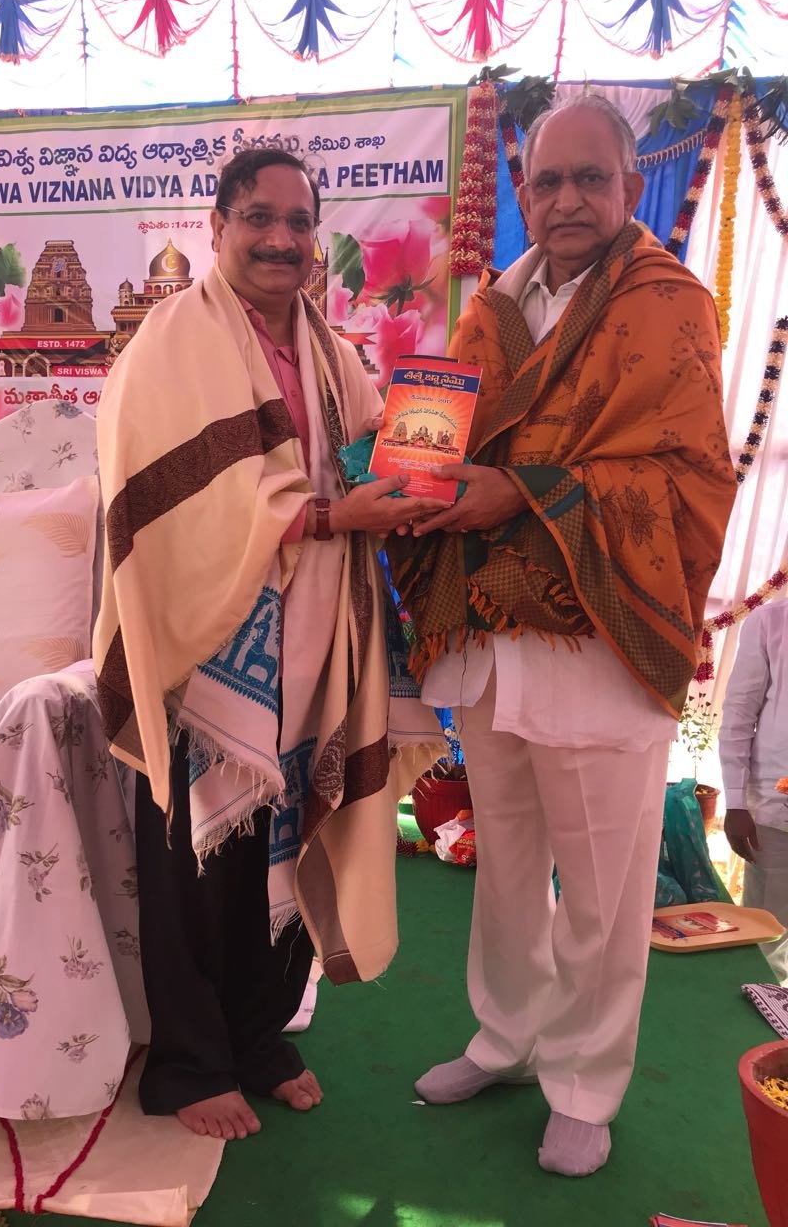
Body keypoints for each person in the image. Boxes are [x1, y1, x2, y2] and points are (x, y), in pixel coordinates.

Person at [386, 95, 736, 1176]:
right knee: (506, 867)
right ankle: (507, 1036)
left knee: (603, 881)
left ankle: (587, 1079)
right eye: (548, 181)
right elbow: (431, 439)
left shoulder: (668, 305)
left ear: (632, 190)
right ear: (522, 191)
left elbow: (687, 478)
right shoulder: (495, 303)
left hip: (600, 642)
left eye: (592, 179)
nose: (569, 199)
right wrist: (402, 473)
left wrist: (520, 493)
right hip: (494, 638)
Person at [93, 147, 445, 1142]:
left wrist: (417, 476)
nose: (281, 238)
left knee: (281, 843)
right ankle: (189, 1062)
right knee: (197, 859)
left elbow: (377, 453)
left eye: (298, 220)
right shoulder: (173, 342)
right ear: (216, 225)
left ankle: (257, 1035)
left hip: (315, 639)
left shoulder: (333, 354)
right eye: (259, 216)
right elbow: (168, 497)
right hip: (203, 640)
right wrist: (333, 517)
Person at [720, 599, 788, 984]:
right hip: (778, 811)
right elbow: (739, 716)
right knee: (769, 936)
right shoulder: (770, 623)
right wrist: (734, 801)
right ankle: (759, 1031)